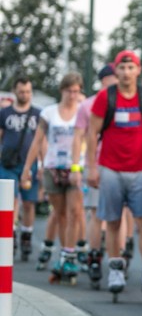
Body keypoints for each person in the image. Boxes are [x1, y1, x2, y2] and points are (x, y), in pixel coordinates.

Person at [85, 50, 142, 300]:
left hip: (140, 169)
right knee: (113, 220)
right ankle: (116, 268)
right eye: (122, 68)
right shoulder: (104, 97)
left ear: (138, 70)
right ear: (115, 71)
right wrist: (91, 168)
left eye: (131, 68)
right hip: (110, 168)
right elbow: (91, 132)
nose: (126, 72)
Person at [21, 72, 85, 284]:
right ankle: (64, 255)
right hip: (52, 167)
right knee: (60, 214)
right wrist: (28, 168)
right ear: (62, 90)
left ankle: (69, 255)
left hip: (74, 167)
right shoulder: (49, 113)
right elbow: (37, 141)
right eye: (69, 91)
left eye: (76, 91)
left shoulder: (82, 112)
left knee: (75, 213)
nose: (72, 95)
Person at [71, 64, 119, 289]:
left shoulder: (127, 101)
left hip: (121, 164)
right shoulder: (88, 105)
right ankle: (94, 256)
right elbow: (78, 136)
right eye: (111, 79)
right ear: (103, 81)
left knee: (118, 214)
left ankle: (118, 257)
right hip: (97, 164)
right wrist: (77, 167)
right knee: (95, 213)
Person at [0, 76, 40, 262]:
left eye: (28, 91)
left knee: (29, 202)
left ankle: (26, 235)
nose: (25, 95)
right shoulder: (5, 113)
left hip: (29, 164)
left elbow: (41, 141)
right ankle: (11, 236)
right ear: (15, 92)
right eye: (22, 91)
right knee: (11, 199)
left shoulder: (37, 114)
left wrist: (41, 163)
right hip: (8, 163)